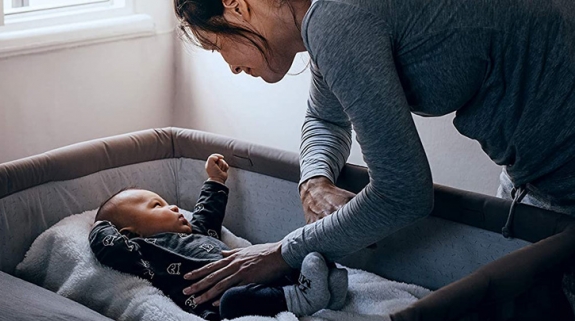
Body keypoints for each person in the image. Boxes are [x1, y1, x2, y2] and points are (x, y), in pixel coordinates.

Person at [173, 0, 575, 309]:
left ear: (237, 5)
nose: (230, 67)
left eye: (215, 45)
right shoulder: (326, 15)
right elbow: (323, 118)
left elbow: (404, 194)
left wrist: (281, 252)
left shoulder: (337, 20)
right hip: (535, 171)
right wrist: (314, 180)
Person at [89, 154, 348, 320]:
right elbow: (108, 247)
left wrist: (215, 180)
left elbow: (207, 215)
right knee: (234, 301)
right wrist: (99, 224)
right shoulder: (142, 252)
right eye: (158, 206)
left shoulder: (196, 232)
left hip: (256, 272)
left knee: (287, 257)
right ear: (130, 233)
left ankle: (319, 290)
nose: (174, 207)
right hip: (219, 301)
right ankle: (301, 298)